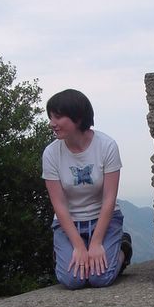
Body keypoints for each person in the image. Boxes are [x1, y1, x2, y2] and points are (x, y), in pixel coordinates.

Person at [42, 88, 132, 289]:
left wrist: (96, 242)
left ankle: (123, 249)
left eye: (58, 117)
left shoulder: (106, 146)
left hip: (104, 220)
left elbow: (109, 198)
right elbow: (59, 205)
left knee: (100, 278)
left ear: (78, 117)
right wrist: (78, 245)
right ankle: (64, 252)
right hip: (69, 224)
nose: (52, 123)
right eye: (51, 117)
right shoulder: (51, 154)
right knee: (72, 280)